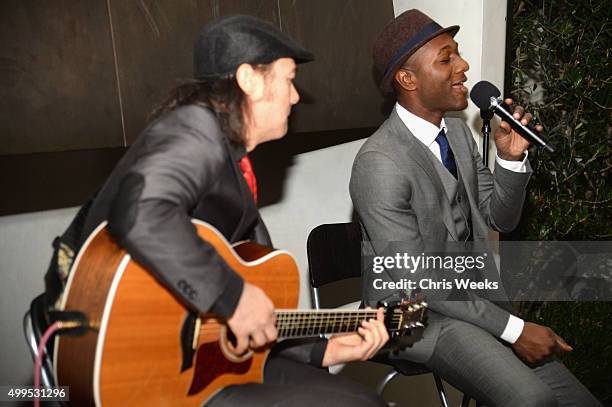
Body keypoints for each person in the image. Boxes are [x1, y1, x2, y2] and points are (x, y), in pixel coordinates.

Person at [46, 15, 388, 406]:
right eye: (289, 79)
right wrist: (232, 297)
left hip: (203, 360)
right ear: (250, 79)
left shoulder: (232, 160)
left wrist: (324, 350)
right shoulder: (195, 127)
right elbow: (141, 211)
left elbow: (264, 298)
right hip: (122, 351)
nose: (295, 97)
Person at [349, 9, 601, 407]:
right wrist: (515, 330)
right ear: (407, 79)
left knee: (577, 399)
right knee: (532, 399)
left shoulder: (457, 133)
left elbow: (500, 216)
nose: (463, 66)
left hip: (472, 300)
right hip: (412, 313)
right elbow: (419, 283)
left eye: (458, 55)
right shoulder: (379, 162)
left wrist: (510, 160)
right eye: (446, 58)